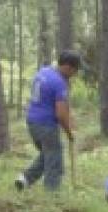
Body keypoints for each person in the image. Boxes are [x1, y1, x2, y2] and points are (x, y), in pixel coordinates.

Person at [16, 50, 81, 192]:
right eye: (74, 71)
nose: (74, 75)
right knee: (54, 160)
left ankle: (25, 179)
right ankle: (52, 195)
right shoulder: (58, 83)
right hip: (46, 125)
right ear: (67, 67)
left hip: (32, 122)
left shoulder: (44, 71)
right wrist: (69, 132)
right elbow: (60, 114)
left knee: (48, 154)